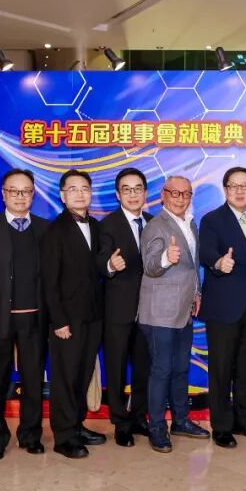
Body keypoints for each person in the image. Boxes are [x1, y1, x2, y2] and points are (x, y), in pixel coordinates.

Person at [0, 168, 49, 460]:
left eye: (26, 191)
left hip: (35, 319)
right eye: (14, 191)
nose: (20, 196)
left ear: (33, 194)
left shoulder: (45, 229)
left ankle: (31, 435)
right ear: (3, 194)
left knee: (33, 382)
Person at [198, 167, 246, 449]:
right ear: (225, 189)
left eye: (245, 186)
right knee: (221, 368)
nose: (240, 191)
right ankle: (221, 426)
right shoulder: (212, 220)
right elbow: (205, 252)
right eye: (234, 186)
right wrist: (219, 263)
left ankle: (244, 420)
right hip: (224, 306)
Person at [139, 175, 210, 452]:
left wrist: (197, 293)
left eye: (186, 193)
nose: (180, 198)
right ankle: (157, 427)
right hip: (160, 313)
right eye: (174, 193)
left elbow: (193, 265)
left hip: (184, 309)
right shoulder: (155, 225)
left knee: (181, 369)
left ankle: (180, 420)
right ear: (163, 195)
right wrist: (166, 258)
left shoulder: (190, 223)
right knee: (162, 370)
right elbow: (150, 265)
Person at [40, 169, 105, 459]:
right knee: (65, 378)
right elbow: (49, 281)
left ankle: (77, 425)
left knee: (82, 374)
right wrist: (59, 321)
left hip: (93, 316)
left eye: (85, 189)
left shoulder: (97, 227)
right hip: (67, 320)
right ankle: (64, 436)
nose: (80, 194)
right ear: (62, 195)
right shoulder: (54, 231)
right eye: (73, 189)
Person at [97, 167, 154, 448]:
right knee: (117, 368)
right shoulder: (107, 225)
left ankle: (139, 417)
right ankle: (121, 423)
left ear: (145, 192)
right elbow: (100, 260)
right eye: (126, 189)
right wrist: (110, 264)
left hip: (150, 311)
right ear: (118, 194)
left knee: (144, 368)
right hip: (118, 312)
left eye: (137, 188)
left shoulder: (155, 223)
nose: (133, 194)